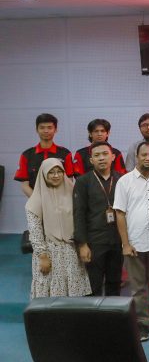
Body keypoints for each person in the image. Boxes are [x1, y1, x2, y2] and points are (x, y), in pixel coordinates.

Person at [114, 141, 149, 340]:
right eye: (144, 155)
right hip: (134, 244)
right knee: (137, 288)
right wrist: (125, 244)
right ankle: (142, 323)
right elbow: (119, 214)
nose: (148, 158)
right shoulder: (124, 181)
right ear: (136, 157)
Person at [25, 158, 91, 298]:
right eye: (51, 173)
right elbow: (35, 232)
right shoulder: (35, 201)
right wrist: (43, 256)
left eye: (59, 171)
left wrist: (82, 244)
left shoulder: (73, 193)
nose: (56, 175)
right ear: (43, 175)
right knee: (50, 294)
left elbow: (80, 221)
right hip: (49, 252)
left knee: (74, 292)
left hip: (71, 251)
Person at [73, 142, 123, 296]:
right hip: (95, 241)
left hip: (118, 240)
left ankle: (113, 317)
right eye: (97, 155)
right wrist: (82, 244)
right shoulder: (83, 181)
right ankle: (92, 320)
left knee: (114, 283)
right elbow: (78, 214)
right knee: (93, 284)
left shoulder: (122, 180)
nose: (101, 158)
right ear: (91, 160)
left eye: (105, 154)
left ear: (113, 156)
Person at [15, 113, 73, 197]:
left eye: (50, 127)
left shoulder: (65, 153)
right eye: (42, 127)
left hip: (59, 202)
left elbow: (69, 181)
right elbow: (25, 185)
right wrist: (37, 201)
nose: (46, 131)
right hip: (35, 203)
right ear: (36, 130)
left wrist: (56, 200)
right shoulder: (27, 155)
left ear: (55, 130)